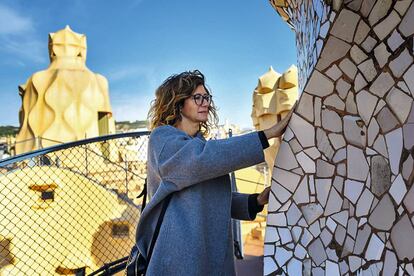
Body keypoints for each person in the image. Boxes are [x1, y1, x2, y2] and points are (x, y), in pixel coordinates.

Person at [134, 70, 294, 275]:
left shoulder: (200, 146)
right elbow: (199, 159)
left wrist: (255, 201)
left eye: (206, 97)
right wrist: (267, 135)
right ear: (179, 103)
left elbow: (210, 197)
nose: (205, 103)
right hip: (178, 259)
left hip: (208, 255)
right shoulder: (163, 140)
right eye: (197, 97)